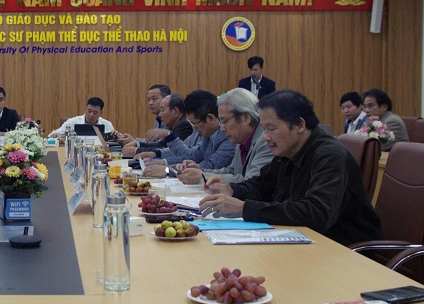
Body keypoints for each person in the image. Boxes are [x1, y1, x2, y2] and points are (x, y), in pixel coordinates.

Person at [199, 90, 382, 247]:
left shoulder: (329, 155)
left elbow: (316, 213)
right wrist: (232, 190)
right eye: (264, 129)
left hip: (343, 249)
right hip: (307, 241)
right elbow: (262, 186)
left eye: (271, 128)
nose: (265, 137)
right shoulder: (288, 151)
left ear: (300, 125)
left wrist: (244, 208)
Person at [176, 88, 273, 184]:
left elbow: (251, 182)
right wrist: (201, 171)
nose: (222, 128)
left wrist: (203, 177)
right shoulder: (241, 139)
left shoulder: (266, 141)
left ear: (246, 118)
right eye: (220, 122)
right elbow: (232, 171)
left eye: (225, 121)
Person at [141, 90, 235, 177]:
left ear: (210, 118)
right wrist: (166, 163)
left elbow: (209, 166)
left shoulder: (228, 138)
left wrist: (167, 170)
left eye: (194, 123)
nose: (193, 128)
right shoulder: (208, 135)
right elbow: (193, 156)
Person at [122, 93, 192, 157]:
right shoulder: (172, 123)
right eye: (148, 99)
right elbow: (162, 144)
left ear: (175, 112)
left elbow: (169, 149)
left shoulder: (185, 125)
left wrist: (137, 150)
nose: (160, 115)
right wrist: (137, 144)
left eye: (162, 110)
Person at [117, 84, 173, 149]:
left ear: (166, 99)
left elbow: (161, 146)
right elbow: (153, 142)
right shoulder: (158, 119)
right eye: (148, 99)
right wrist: (133, 140)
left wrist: (136, 143)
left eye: (154, 99)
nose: (150, 103)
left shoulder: (170, 119)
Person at [48, 97, 116, 138]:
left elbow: (115, 140)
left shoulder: (107, 124)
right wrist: (55, 135)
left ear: (101, 113)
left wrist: (117, 137)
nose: (91, 115)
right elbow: (51, 135)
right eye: (89, 111)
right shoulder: (73, 122)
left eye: (95, 113)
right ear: (86, 109)